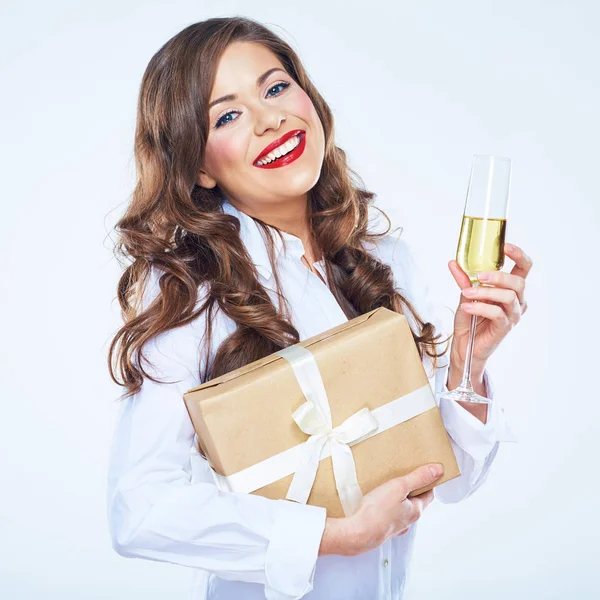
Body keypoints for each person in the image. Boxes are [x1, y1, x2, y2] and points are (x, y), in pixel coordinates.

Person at [105, 16, 532, 600]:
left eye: (276, 88)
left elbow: (449, 478)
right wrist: (332, 535)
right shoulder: (190, 289)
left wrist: (469, 359)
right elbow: (140, 508)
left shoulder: (383, 259)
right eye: (228, 115)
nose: (270, 119)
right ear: (198, 165)